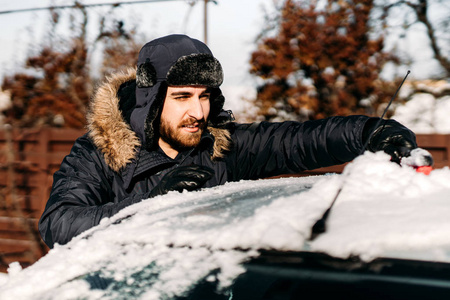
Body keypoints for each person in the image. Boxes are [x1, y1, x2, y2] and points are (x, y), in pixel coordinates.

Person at [38, 34, 417, 248]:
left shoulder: (217, 146)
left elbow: (295, 141)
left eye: (205, 96)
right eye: (183, 97)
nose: (199, 112)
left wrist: (367, 132)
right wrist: (147, 204)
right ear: (150, 102)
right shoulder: (100, 152)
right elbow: (58, 222)